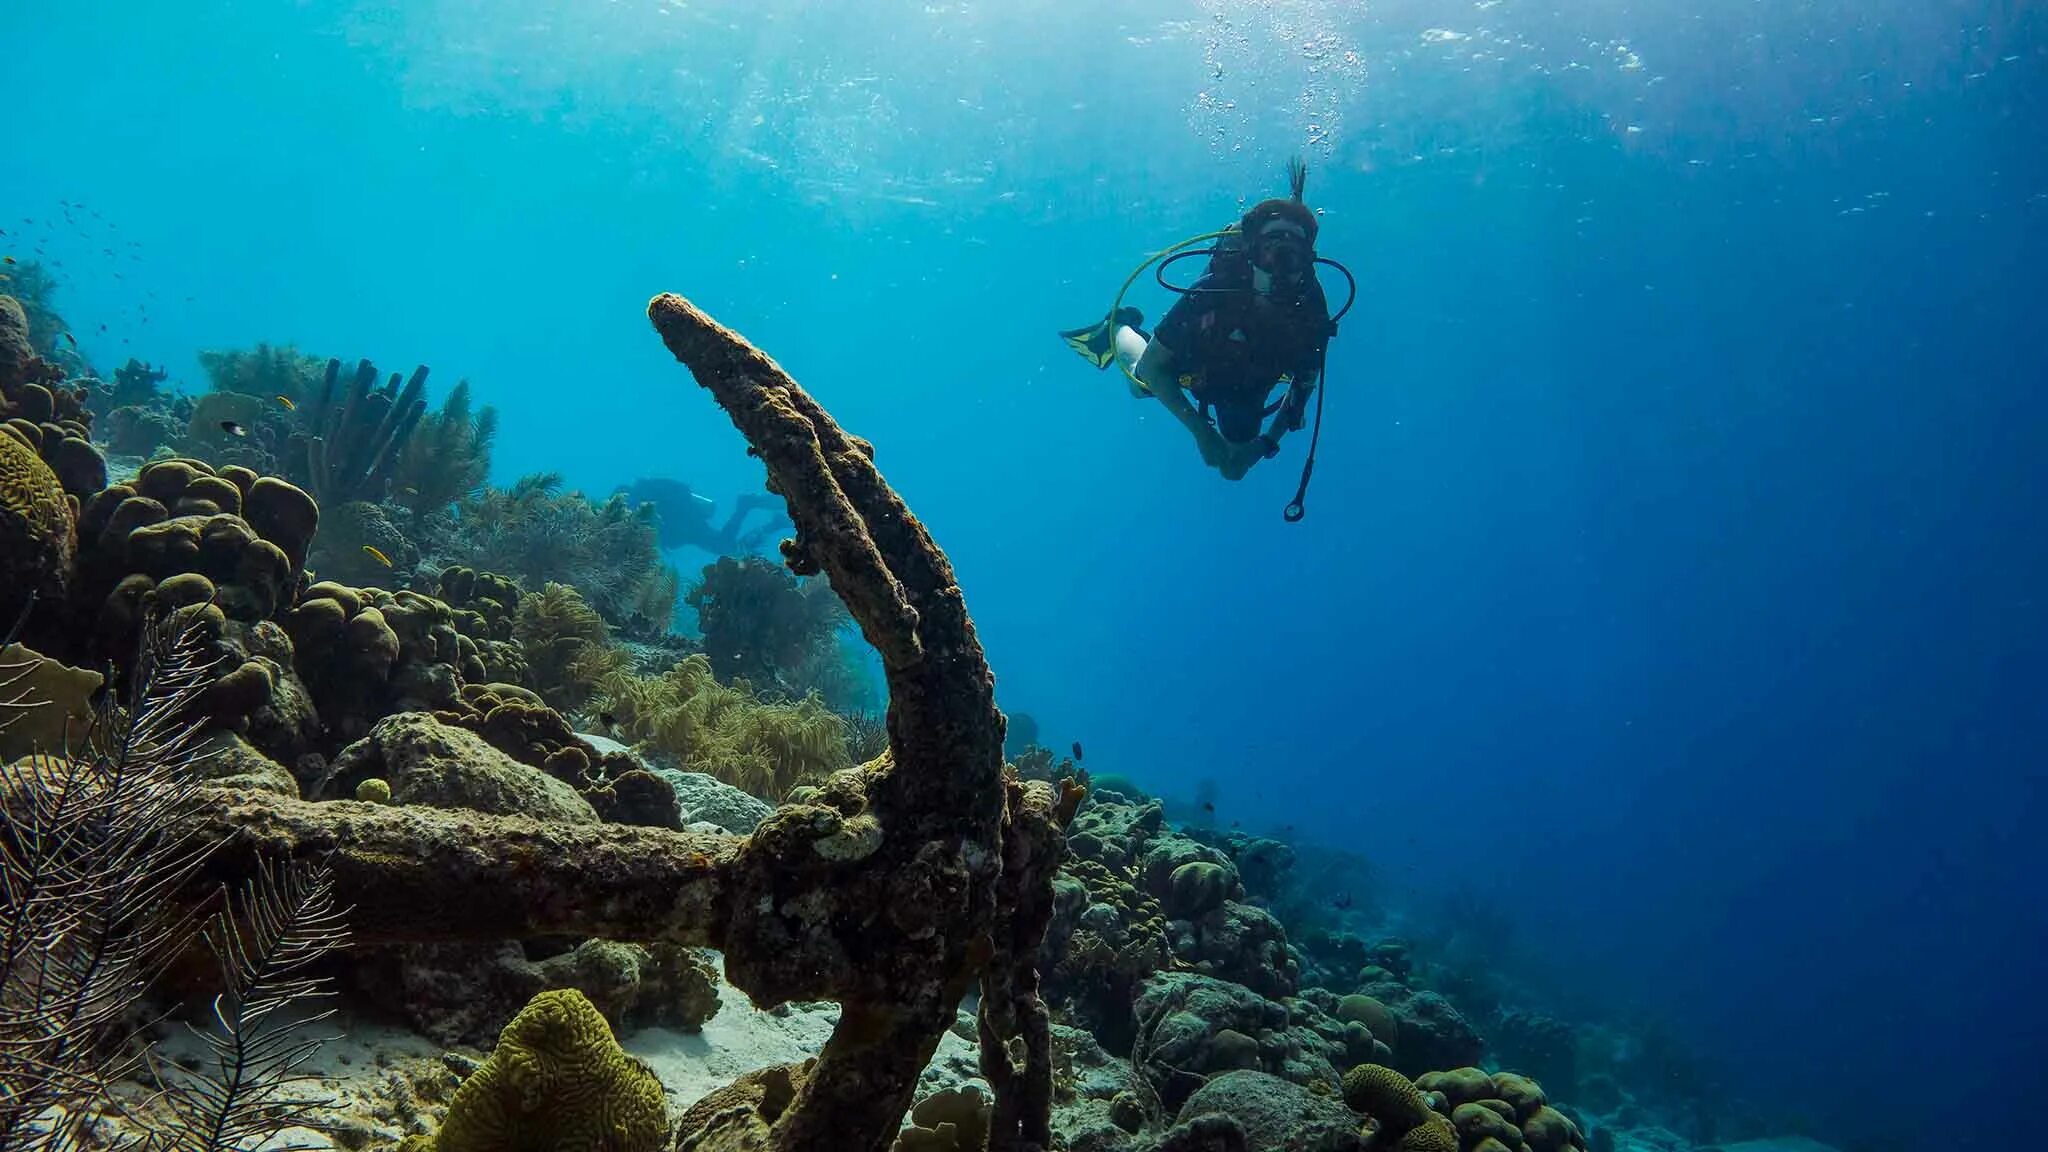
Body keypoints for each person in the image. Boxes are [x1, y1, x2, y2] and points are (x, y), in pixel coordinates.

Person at [1062, 158, 1337, 484]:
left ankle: (1240, 431)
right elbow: (1153, 367)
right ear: (1250, 251)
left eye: (1293, 254)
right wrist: (1200, 433)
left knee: (1237, 446)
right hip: (1203, 358)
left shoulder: (1309, 312)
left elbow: (1302, 390)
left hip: (1257, 372)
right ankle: (1118, 328)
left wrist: (1264, 444)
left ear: (1307, 260)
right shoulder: (1215, 291)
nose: (1280, 263)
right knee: (1141, 383)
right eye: (1271, 248)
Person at [617, 477, 781, 556]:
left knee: (725, 547)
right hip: (685, 526)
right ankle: (773, 524)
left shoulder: (636, 501)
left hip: (686, 524)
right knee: (728, 548)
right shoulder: (643, 494)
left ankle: (745, 506)